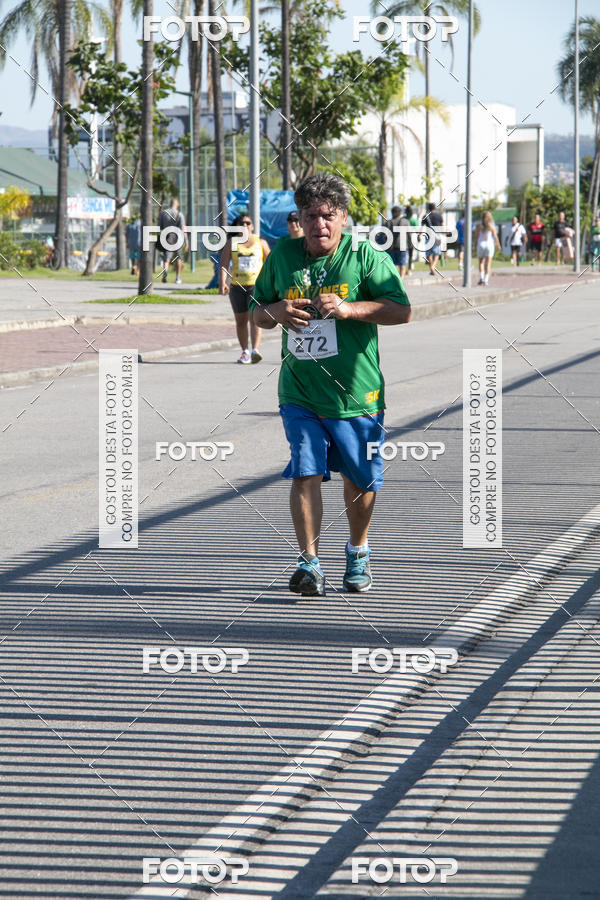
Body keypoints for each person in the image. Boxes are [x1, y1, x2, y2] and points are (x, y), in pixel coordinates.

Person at [250, 173, 411, 597]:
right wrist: (277, 311)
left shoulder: (365, 256)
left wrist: (349, 309)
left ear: (342, 217)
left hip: (357, 393)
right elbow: (257, 315)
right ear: (299, 218)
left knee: (360, 482)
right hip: (299, 391)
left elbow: (401, 311)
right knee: (306, 472)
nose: (320, 224)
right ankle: (309, 564)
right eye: (310, 215)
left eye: (328, 215)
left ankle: (358, 551)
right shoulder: (283, 255)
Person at [219, 213, 270, 364]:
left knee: (254, 318)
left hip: (255, 286)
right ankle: (245, 351)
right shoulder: (231, 243)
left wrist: (268, 282)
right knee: (241, 321)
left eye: (248, 223)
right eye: (241, 223)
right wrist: (223, 282)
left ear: (252, 226)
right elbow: (223, 264)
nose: (245, 225)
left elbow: (271, 263)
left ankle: (255, 350)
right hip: (237, 287)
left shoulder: (260, 242)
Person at [158, 198, 188, 284]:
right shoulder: (179, 214)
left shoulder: (163, 213)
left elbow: (159, 227)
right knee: (178, 258)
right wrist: (186, 242)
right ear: (177, 205)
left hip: (166, 238)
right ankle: (178, 278)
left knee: (166, 259)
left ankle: (165, 275)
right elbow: (183, 229)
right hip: (177, 238)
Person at [474, 211, 501, 285]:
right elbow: (495, 236)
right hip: (489, 244)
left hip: (481, 244)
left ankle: (481, 278)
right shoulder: (491, 226)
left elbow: (476, 237)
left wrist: (475, 245)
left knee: (481, 262)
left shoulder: (479, 226)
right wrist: (498, 245)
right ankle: (486, 280)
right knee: (488, 263)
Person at [384, 205, 409, 279]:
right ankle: (401, 278)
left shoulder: (388, 222)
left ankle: (395, 279)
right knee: (403, 263)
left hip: (391, 247)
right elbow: (409, 234)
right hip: (403, 246)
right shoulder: (405, 222)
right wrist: (410, 243)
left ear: (392, 213)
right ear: (400, 213)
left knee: (393, 264)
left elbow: (385, 236)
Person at [421, 202, 443, 276]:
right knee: (436, 253)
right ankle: (433, 267)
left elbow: (421, 226)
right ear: (435, 208)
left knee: (429, 254)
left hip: (428, 236)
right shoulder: (439, 215)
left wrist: (419, 235)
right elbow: (442, 226)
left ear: (428, 208)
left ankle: (432, 268)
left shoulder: (425, 216)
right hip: (437, 236)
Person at [406, 205, 419, 272]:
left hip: (403, 239)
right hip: (411, 239)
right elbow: (418, 231)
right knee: (410, 254)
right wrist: (419, 237)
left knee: (405, 254)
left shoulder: (403, 218)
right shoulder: (414, 220)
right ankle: (409, 269)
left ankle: (407, 268)